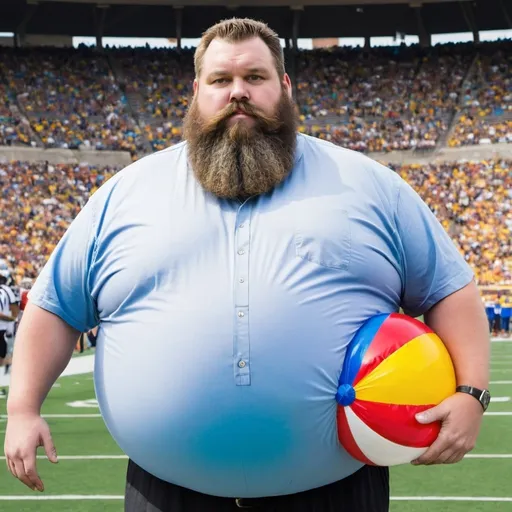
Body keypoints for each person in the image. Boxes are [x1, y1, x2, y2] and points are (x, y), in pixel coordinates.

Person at [4, 18, 490, 512]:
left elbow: (448, 289)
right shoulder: (125, 194)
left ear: (284, 86)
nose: (238, 93)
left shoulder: (369, 186)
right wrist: (22, 409)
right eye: (221, 80)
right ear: (196, 91)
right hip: (168, 490)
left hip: (333, 491)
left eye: (255, 78)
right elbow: (55, 307)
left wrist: (471, 393)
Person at [0, 270, 19, 396]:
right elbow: (14, 308)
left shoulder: (5, 291)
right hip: (4, 328)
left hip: (2, 330)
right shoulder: (6, 290)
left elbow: (14, 307)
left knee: (2, 356)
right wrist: (12, 319)